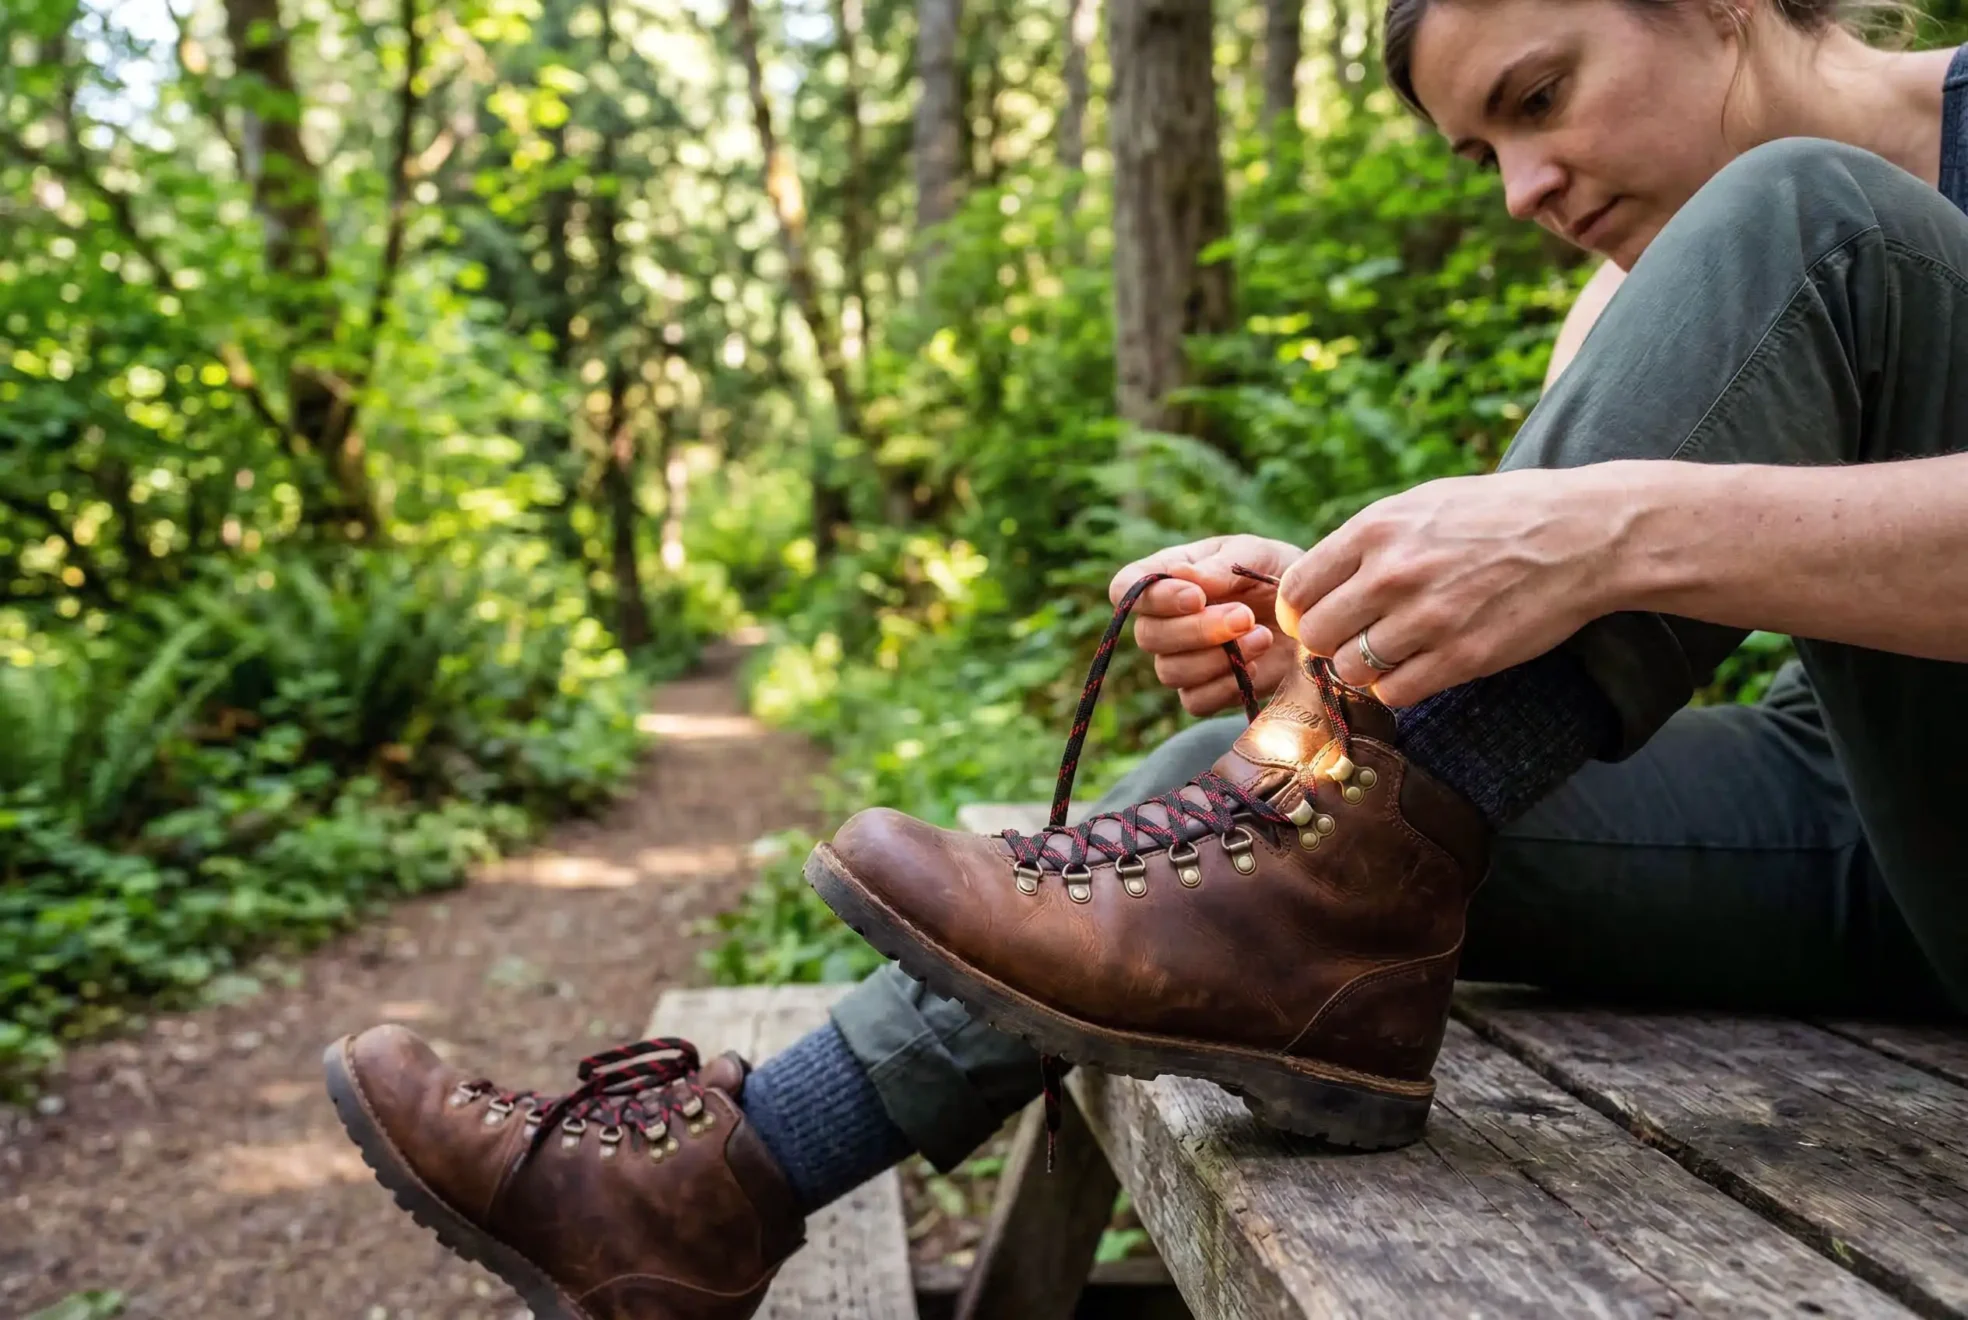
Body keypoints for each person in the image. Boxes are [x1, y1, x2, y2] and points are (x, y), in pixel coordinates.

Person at [322, 2, 1968, 1315]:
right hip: (1864, 815)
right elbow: (1559, 633)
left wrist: (1624, 531)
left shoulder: (1822, 208)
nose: (1523, 192)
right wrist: (1333, 637)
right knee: (1284, 803)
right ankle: (701, 1197)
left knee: (1810, 218)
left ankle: (1309, 877)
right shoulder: (1628, 294)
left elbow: (1634, 553)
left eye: (1539, 98)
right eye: (1479, 152)